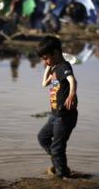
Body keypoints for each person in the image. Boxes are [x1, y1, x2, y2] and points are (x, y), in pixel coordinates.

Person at [37, 36, 78, 178]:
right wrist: (48, 68)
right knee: (43, 138)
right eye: (43, 59)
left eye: (46, 58)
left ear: (56, 53)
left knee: (58, 147)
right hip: (55, 115)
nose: (45, 61)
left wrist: (71, 94)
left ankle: (62, 176)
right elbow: (44, 84)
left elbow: (73, 80)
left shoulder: (64, 67)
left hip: (65, 117)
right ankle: (57, 160)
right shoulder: (55, 68)